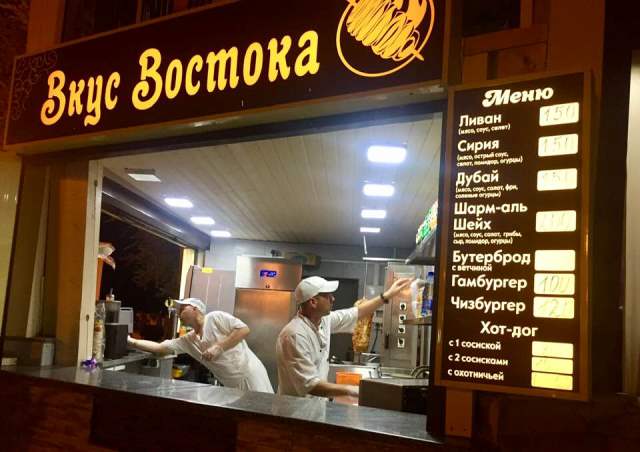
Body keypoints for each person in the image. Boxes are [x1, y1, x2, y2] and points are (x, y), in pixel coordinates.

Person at [276, 276, 412, 398]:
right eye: (328, 296)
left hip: (314, 408)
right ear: (313, 302)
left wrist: (387, 295)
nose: (333, 299)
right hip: (295, 411)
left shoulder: (323, 321)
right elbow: (310, 385)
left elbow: (356, 312)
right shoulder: (294, 335)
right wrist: (351, 390)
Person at [127, 298, 273, 393]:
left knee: (264, 416)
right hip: (231, 385)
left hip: (250, 375)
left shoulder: (215, 318)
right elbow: (160, 348)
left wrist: (219, 347)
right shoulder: (188, 340)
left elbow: (244, 329)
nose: (179, 313)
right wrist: (130, 341)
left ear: (195, 308)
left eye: (182, 309)